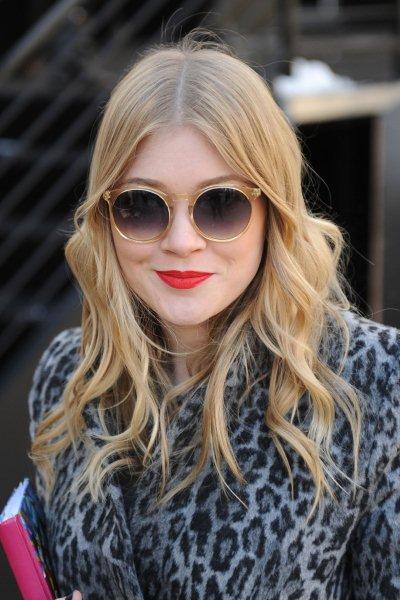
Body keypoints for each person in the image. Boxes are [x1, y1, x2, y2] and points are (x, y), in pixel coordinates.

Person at [27, 28, 400, 600]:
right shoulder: (66, 377)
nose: (181, 241)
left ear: (273, 212)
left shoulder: (375, 380)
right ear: (105, 218)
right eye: (141, 205)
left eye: (221, 204)